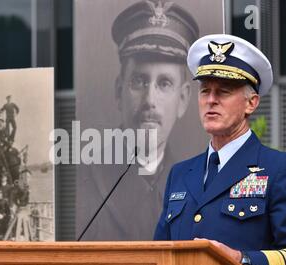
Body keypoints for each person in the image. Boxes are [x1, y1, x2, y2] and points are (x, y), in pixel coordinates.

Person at [154, 34, 286, 265]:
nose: (211, 99)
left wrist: (243, 262)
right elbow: (159, 257)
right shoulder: (180, 174)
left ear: (251, 103)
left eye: (223, 91)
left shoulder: (282, 170)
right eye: (205, 91)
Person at [77, 1, 199, 240]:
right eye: (139, 81)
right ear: (119, 91)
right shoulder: (84, 182)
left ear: (183, 99)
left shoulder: (198, 186)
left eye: (164, 84)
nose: (149, 100)